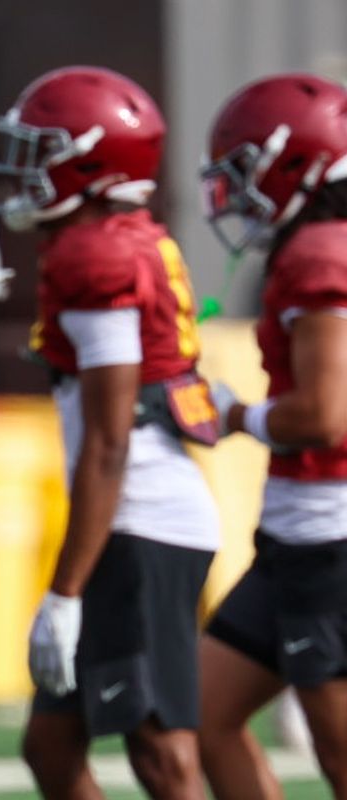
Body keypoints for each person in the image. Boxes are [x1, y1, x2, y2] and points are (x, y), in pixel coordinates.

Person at [0, 66, 220, 799]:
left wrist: (66, 592)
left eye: (42, 152)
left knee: (160, 752)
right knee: (51, 748)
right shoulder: (124, 238)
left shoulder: (97, 256)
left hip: (140, 521)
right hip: (136, 516)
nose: (25, 170)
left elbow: (110, 442)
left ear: (89, 159)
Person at [198, 73, 347, 800]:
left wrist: (234, 416)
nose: (236, 194)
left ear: (298, 164)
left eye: (246, 171)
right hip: (298, 539)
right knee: (203, 714)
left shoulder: (320, 253)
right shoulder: (319, 245)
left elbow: (324, 416)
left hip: (330, 539)